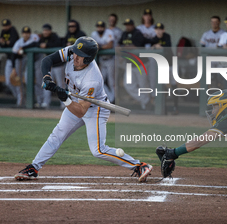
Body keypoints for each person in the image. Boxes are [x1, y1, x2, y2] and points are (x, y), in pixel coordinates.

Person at [14, 36, 153, 182]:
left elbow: (81, 111)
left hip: (95, 109)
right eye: (75, 53)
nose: (75, 57)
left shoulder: (92, 79)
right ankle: (34, 167)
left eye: (80, 56)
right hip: (74, 102)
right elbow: (47, 60)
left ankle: (139, 166)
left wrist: (64, 98)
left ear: (88, 59)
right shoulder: (71, 52)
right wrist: (47, 78)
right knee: (57, 134)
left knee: (98, 151)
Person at [157, 89, 227, 195]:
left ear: (224, 105)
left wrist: (174, 153)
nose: (213, 111)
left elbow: (201, 140)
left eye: (215, 106)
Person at [119, 18, 149, 110]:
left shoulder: (137, 33)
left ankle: (146, 105)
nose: (127, 26)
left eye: (129, 25)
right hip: (129, 64)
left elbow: (135, 46)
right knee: (128, 85)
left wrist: (125, 48)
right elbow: (119, 45)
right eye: (126, 25)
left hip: (141, 64)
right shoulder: (124, 34)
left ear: (133, 25)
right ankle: (146, 101)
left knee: (143, 85)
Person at [29, 23, 62, 108]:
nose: (45, 32)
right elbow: (35, 44)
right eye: (44, 30)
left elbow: (58, 44)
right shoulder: (42, 38)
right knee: (47, 83)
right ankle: (45, 103)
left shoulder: (55, 37)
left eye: (47, 30)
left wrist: (47, 45)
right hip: (49, 65)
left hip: (58, 64)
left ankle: (64, 103)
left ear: (50, 31)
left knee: (61, 84)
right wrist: (40, 45)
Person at [149, 23, 177, 114]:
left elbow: (167, 47)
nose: (158, 31)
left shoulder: (166, 36)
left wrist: (158, 46)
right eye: (156, 29)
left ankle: (175, 107)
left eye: (160, 29)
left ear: (163, 30)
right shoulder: (154, 39)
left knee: (173, 85)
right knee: (163, 87)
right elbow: (150, 48)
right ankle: (164, 108)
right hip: (162, 66)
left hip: (171, 64)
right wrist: (154, 46)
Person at [11, 26, 39, 106]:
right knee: (25, 80)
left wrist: (23, 47)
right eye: (24, 33)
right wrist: (13, 68)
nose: (26, 35)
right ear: (22, 34)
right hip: (26, 60)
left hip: (38, 59)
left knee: (37, 81)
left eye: (27, 33)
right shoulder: (19, 42)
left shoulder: (34, 37)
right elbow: (14, 55)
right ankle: (22, 101)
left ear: (30, 33)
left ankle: (38, 101)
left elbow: (35, 44)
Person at [91, 20, 115, 103]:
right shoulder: (94, 34)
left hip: (110, 59)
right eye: (98, 27)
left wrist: (101, 47)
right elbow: (93, 45)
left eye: (101, 27)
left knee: (112, 82)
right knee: (100, 81)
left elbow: (110, 45)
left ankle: (114, 99)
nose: (99, 28)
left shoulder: (109, 32)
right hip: (102, 60)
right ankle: (111, 99)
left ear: (104, 28)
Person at [0, 19, 20, 99]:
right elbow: (0, 44)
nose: (5, 27)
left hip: (17, 59)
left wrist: (5, 42)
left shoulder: (13, 30)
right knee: (8, 82)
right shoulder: (3, 32)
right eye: (4, 26)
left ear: (10, 25)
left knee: (16, 80)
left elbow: (12, 43)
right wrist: (4, 43)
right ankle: (17, 96)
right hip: (9, 58)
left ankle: (20, 99)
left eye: (7, 25)